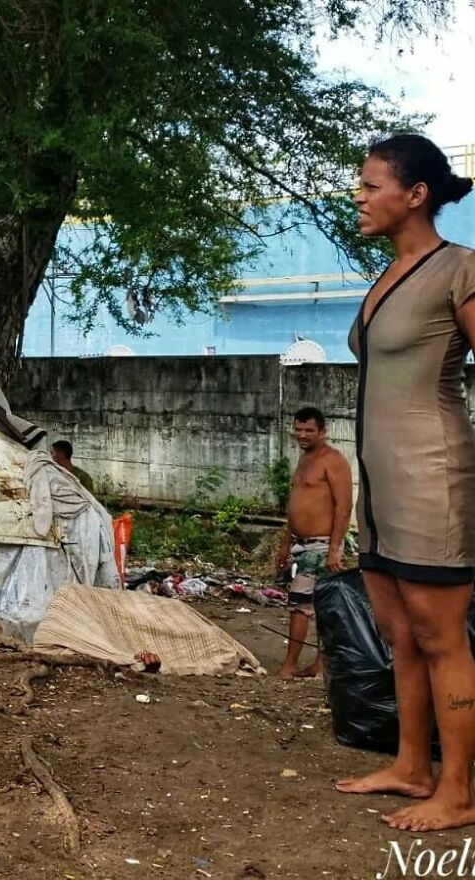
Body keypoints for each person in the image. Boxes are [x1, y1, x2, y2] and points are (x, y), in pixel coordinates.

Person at [332, 134, 475, 833]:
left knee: (441, 636)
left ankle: (458, 791)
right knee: (400, 633)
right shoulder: (389, 273)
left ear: (416, 195)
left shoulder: (460, 269)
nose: (358, 197)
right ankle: (412, 766)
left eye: (371, 185)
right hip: (380, 486)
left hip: (431, 479)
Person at [274, 407, 352, 679]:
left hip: (321, 545)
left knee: (301, 604)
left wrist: (334, 549)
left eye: (309, 430)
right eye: (298, 429)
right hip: (301, 543)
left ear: (322, 431)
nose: (302, 435)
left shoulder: (333, 460)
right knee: (318, 606)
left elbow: (344, 506)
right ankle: (318, 665)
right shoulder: (304, 459)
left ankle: (290, 664)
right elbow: (295, 505)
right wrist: (285, 544)